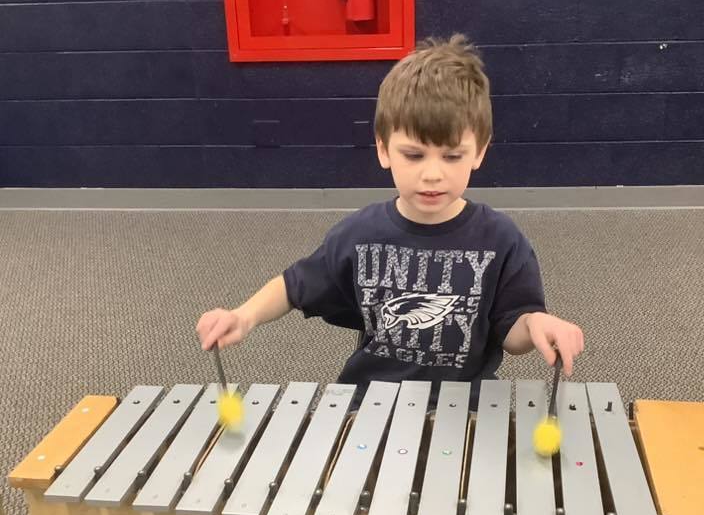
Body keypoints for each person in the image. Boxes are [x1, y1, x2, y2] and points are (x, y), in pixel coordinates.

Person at [197, 34, 584, 407]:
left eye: (452, 157)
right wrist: (242, 316)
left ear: (479, 152)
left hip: (465, 407)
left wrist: (536, 324)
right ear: (383, 149)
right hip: (371, 401)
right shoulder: (361, 233)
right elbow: (294, 286)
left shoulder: (501, 240)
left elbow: (512, 334)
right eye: (414, 155)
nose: (432, 174)